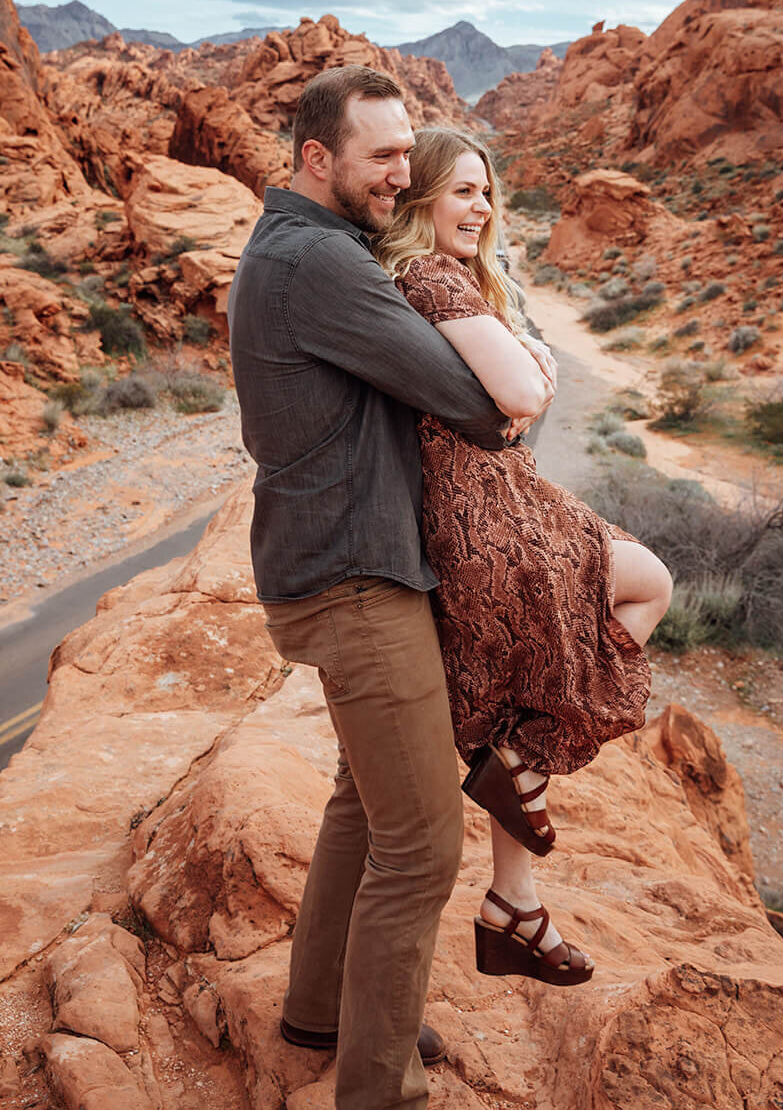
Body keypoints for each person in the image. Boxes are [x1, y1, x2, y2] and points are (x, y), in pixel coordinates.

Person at [227, 67, 515, 1110]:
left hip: (332, 567)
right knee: (423, 842)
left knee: (365, 799)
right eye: (383, 156)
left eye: (409, 152)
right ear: (317, 158)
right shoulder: (321, 263)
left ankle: (319, 1010)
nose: (406, 172)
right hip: (354, 582)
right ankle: (377, 1089)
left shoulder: (305, 249)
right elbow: (477, 406)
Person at [373, 126, 673, 987]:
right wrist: (534, 371)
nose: (480, 207)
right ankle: (520, 773)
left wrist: (529, 374)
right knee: (647, 583)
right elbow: (518, 393)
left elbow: (515, 394)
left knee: (525, 696)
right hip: (487, 514)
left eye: (486, 192)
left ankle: (515, 906)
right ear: (422, 196)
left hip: (495, 498)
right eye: (461, 191)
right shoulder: (429, 275)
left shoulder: (435, 277)